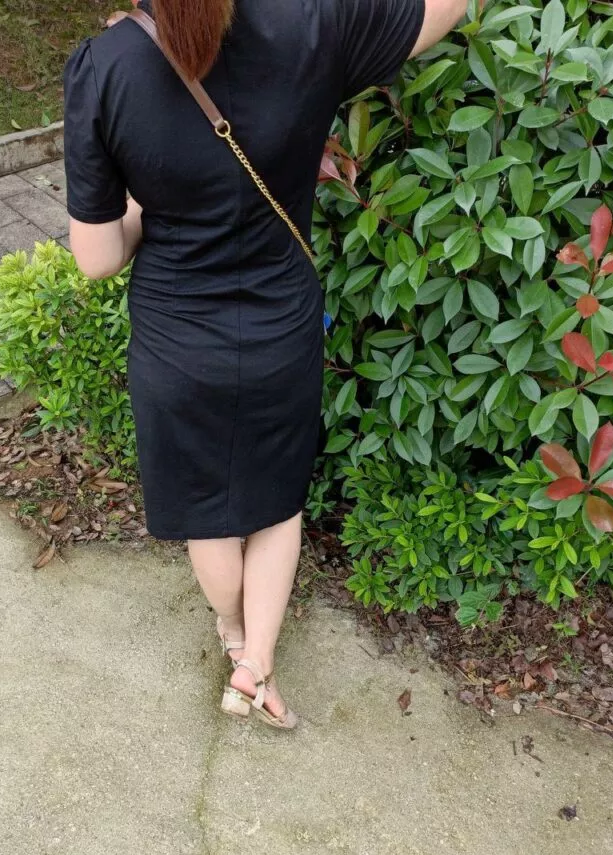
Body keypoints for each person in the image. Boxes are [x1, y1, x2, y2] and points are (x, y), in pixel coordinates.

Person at [62, 0, 466, 729]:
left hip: (176, 338)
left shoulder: (106, 65)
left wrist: (150, 208)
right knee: (277, 504)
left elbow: (96, 258)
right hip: (280, 321)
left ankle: (234, 633)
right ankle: (255, 666)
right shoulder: (312, 22)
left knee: (208, 514)